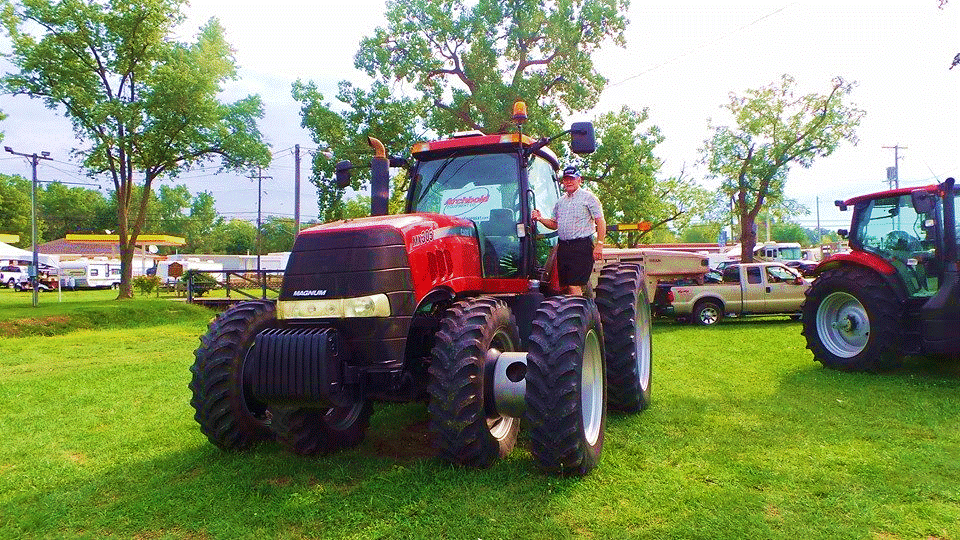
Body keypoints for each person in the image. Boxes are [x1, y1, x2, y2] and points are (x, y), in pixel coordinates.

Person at [531, 165, 606, 296]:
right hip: (564, 247)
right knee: (566, 285)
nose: (568, 182)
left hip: (581, 246)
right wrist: (540, 218)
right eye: (566, 179)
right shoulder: (560, 202)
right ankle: (578, 309)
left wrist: (599, 244)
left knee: (574, 284)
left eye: (572, 178)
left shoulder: (589, 198)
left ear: (579, 180)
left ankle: (576, 314)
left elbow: (600, 221)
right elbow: (554, 224)